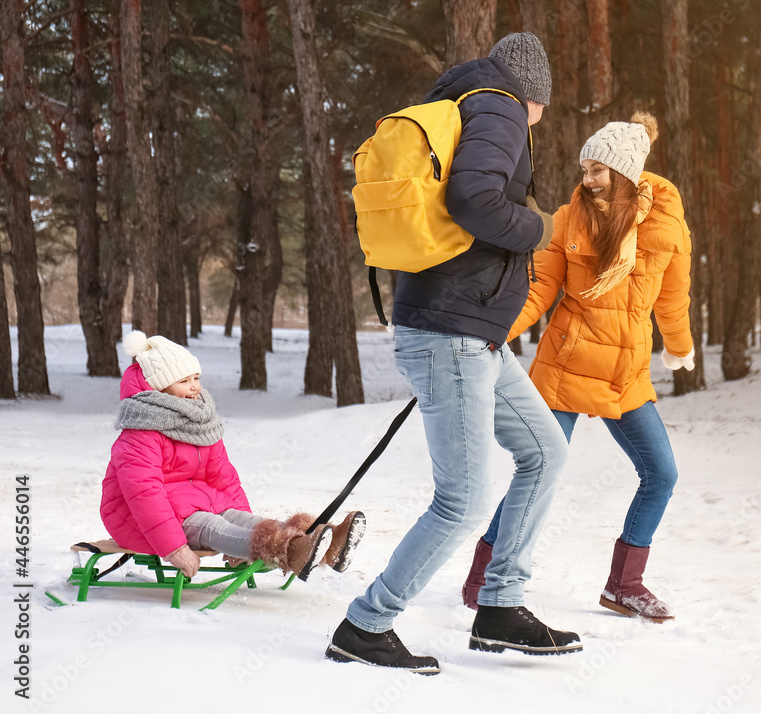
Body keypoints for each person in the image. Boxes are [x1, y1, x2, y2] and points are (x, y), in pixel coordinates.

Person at [325, 32, 579, 676]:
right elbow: (475, 201)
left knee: (545, 450)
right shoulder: (499, 108)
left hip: (470, 331)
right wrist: (540, 227)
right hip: (452, 334)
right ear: (537, 92)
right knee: (462, 501)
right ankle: (366, 624)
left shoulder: (462, 102)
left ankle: (500, 605)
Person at [461, 112, 694, 624]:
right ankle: (483, 577)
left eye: (597, 171)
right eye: (584, 169)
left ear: (627, 171)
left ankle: (624, 584)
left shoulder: (667, 228)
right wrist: (496, 330)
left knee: (661, 473)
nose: (586, 180)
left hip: (624, 375)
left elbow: (673, 299)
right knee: (539, 467)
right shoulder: (569, 219)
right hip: (565, 369)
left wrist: (680, 347)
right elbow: (541, 286)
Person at [102, 330, 366, 582]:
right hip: (143, 521)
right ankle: (295, 550)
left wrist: (241, 527)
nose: (195, 387)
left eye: (196, 378)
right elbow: (144, 497)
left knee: (247, 521)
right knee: (213, 526)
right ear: (158, 389)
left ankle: (327, 544)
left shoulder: (199, 423)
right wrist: (173, 547)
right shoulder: (140, 434)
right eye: (184, 381)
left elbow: (224, 477)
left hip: (198, 504)